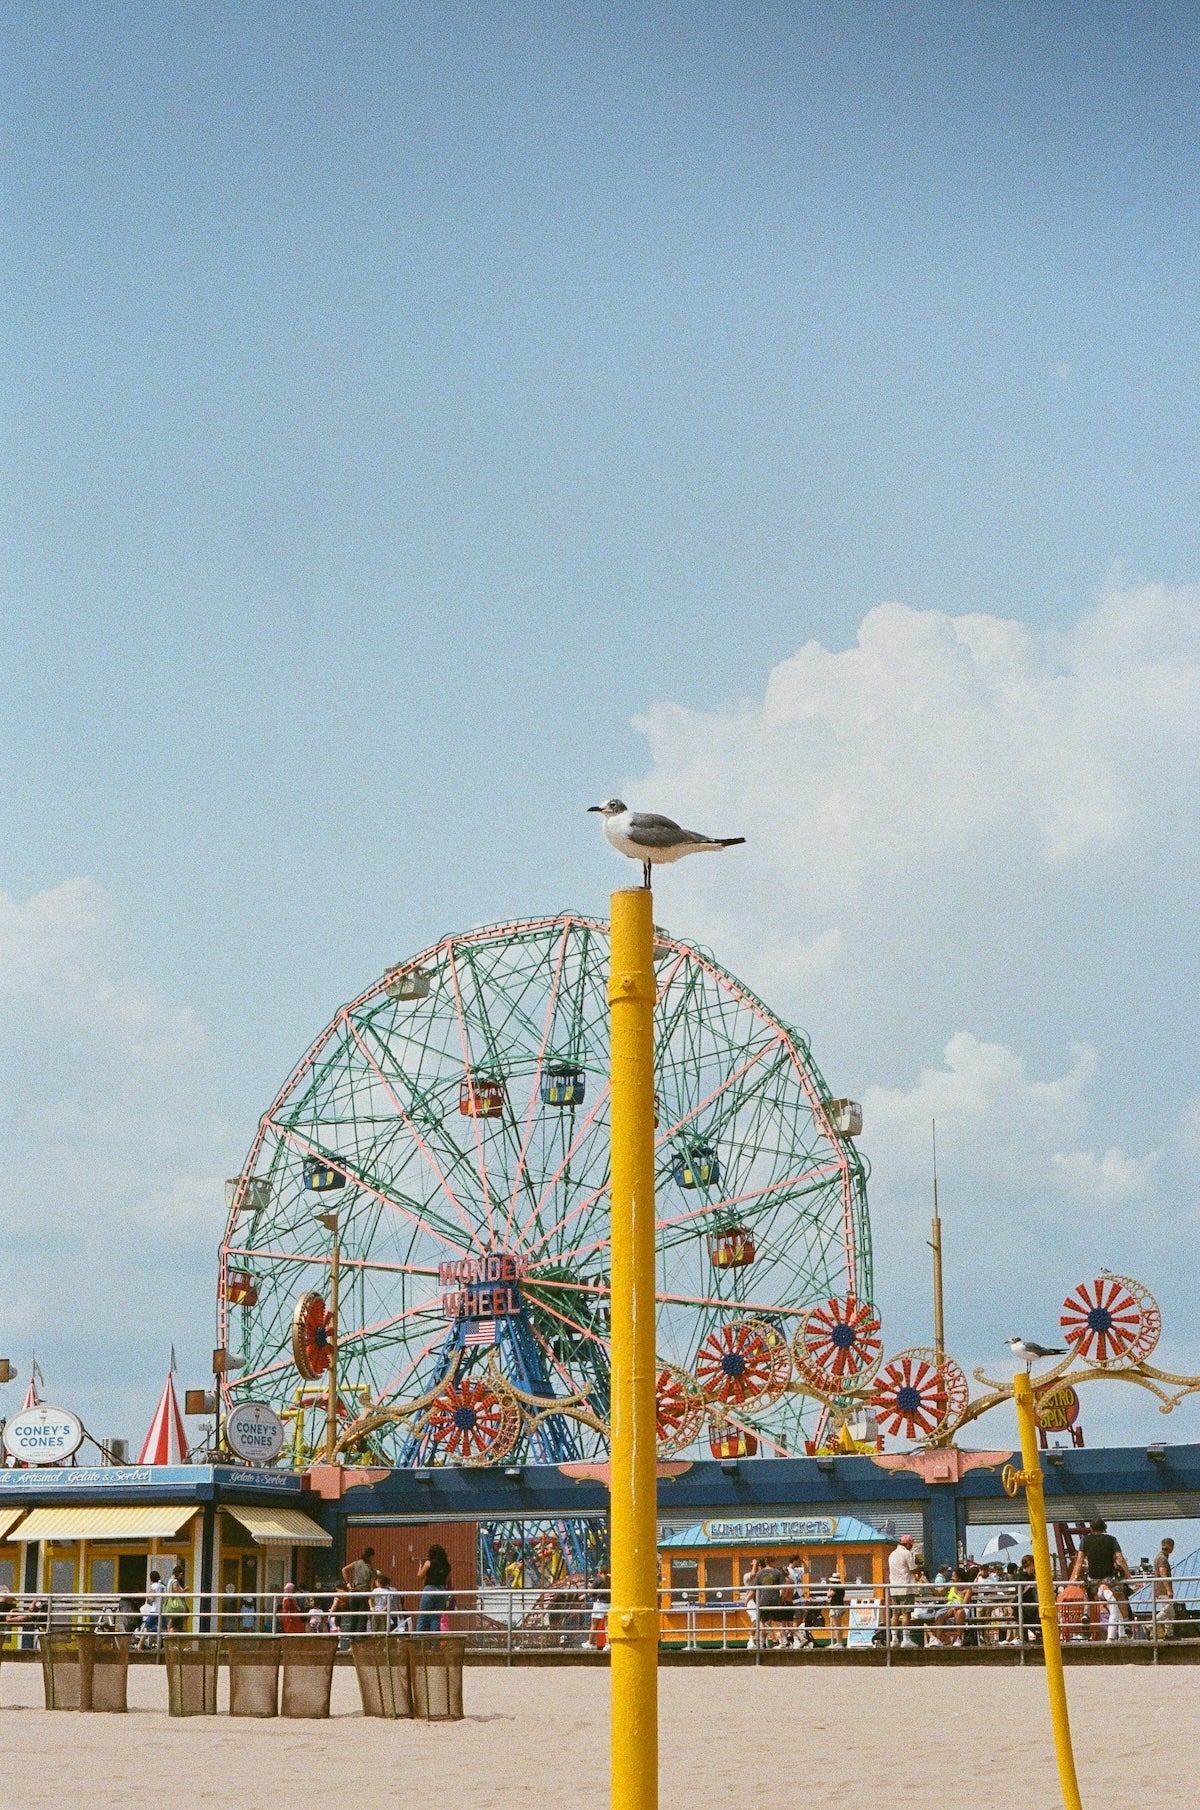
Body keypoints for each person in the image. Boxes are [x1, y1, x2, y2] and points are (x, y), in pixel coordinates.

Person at [1071, 1519, 1130, 1630]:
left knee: (1088, 1595)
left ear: (1091, 1529)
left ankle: (1086, 1614)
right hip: (1109, 1575)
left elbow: (1079, 1560)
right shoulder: (1111, 1540)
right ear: (1104, 1528)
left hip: (1093, 1575)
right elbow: (1120, 1558)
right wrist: (1127, 1575)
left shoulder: (1085, 1540)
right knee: (1120, 1595)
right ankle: (1126, 1622)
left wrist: (1075, 1576)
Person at [887, 1535, 918, 1647]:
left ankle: (894, 1639)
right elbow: (913, 1569)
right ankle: (906, 1639)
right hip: (905, 1587)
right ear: (908, 1544)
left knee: (895, 1614)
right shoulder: (907, 1553)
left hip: (894, 1588)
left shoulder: (892, 1554)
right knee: (906, 1614)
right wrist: (921, 1569)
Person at [416, 1543, 452, 1633]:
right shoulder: (446, 1566)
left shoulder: (429, 1563)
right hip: (441, 1590)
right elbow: (447, 1580)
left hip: (429, 1589)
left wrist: (420, 1568)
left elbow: (420, 1576)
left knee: (422, 1616)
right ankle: (434, 1644)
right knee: (435, 1618)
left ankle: (419, 1640)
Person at [341, 1546, 375, 1638]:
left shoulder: (356, 1563)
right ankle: (360, 1640)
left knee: (354, 1617)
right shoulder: (371, 1569)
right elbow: (371, 1586)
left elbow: (344, 1569)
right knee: (363, 1618)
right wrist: (371, 1597)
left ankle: (351, 1640)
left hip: (354, 1592)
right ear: (371, 1556)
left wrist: (348, 1584)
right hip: (364, 1593)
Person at [1153, 1538, 1175, 1639]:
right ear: (1170, 1547)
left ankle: (1169, 1633)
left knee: (1170, 1612)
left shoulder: (1160, 1557)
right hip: (1163, 1589)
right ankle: (1150, 1625)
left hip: (1161, 1588)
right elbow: (1163, 1573)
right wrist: (1168, 1589)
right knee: (1168, 1610)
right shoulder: (1162, 1558)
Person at [826, 1567, 847, 1647]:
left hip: (835, 1607)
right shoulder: (841, 1587)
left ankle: (839, 1642)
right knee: (837, 1625)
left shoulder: (835, 1587)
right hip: (840, 1606)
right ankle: (838, 1642)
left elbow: (829, 1595)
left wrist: (829, 1589)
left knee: (836, 1625)